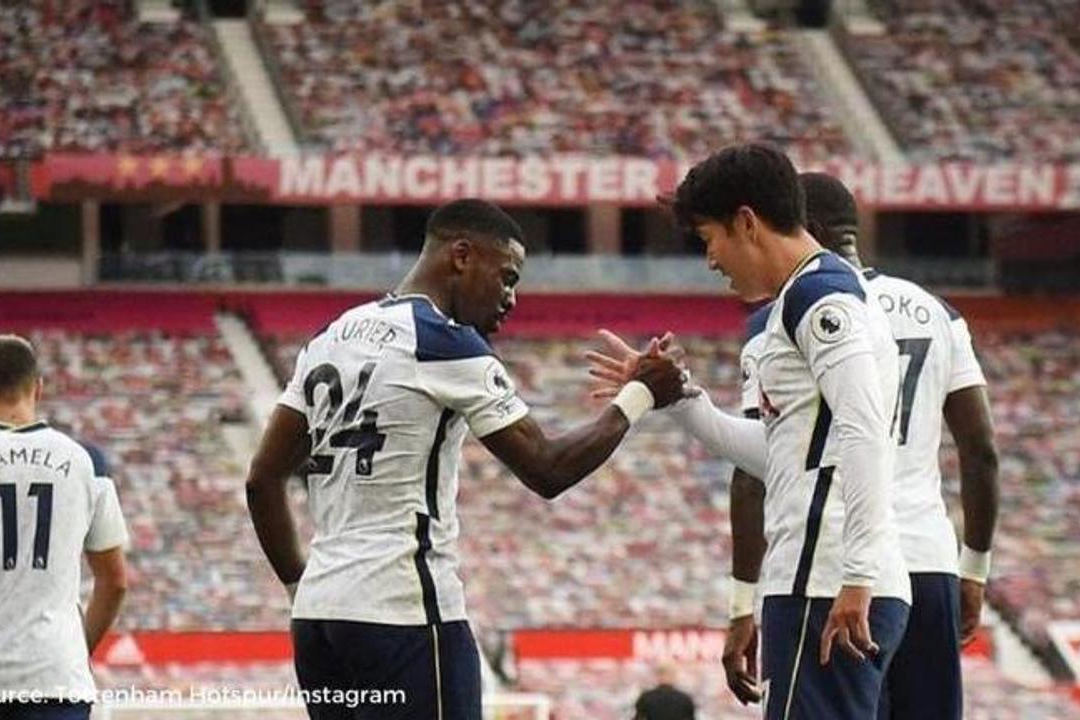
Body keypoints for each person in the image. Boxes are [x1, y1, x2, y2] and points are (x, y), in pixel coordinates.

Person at [246, 199, 683, 720]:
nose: (511, 298)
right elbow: (547, 469)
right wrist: (639, 396)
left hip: (319, 618)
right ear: (461, 256)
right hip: (402, 608)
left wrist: (302, 585)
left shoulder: (331, 336)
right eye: (507, 277)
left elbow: (262, 479)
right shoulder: (445, 342)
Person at [590, 144, 910, 718]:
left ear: (746, 222)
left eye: (709, 239)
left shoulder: (817, 297)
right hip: (827, 573)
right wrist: (680, 397)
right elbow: (784, 455)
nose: (711, 260)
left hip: (825, 576)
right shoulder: (812, 295)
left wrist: (856, 575)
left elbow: (862, 429)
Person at [723, 172, 997, 719]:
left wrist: (740, 605)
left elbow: (760, 469)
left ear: (806, 228)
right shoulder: (937, 312)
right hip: (926, 559)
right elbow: (981, 449)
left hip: (840, 563)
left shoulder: (789, 312)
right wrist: (975, 568)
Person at [0, 335, 130, 719]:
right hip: (57, 675)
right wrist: (76, 647)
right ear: (38, 387)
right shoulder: (88, 462)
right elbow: (115, 581)